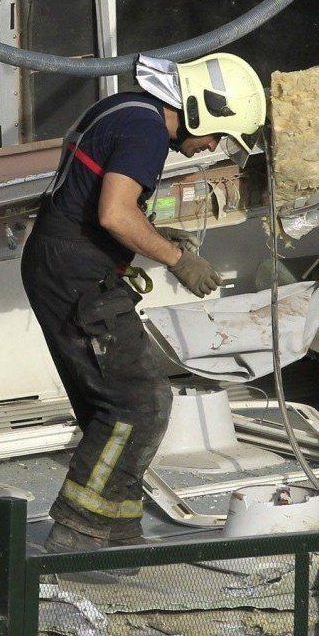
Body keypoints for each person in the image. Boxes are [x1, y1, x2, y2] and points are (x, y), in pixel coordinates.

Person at [22, 52, 265, 553]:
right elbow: (114, 214)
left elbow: (94, 202)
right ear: (202, 109)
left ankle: (113, 531)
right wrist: (177, 259)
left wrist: (149, 234)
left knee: (112, 404)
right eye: (218, 135)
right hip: (75, 276)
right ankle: (78, 534)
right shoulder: (146, 130)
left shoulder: (126, 108)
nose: (209, 149)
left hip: (62, 264)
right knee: (139, 401)